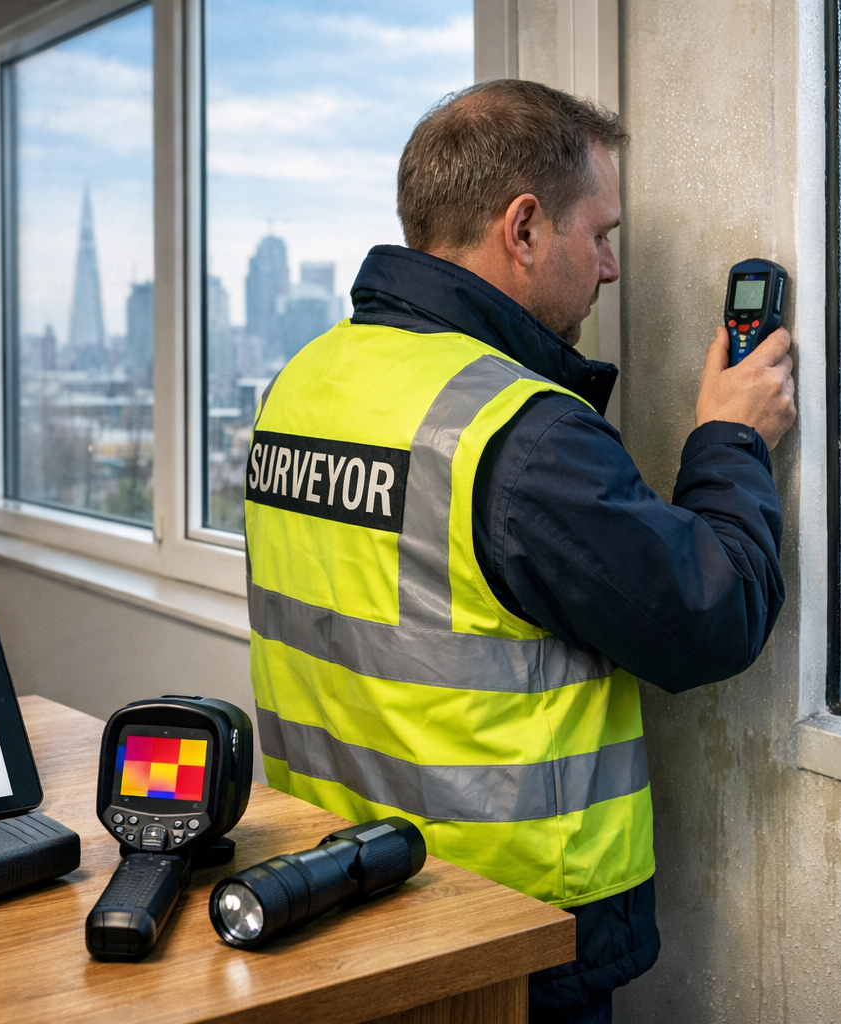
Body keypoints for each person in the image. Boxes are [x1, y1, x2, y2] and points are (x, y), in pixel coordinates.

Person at [243, 79, 795, 1023]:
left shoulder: (305, 382)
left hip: (337, 894)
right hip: (506, 933)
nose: (612, 268)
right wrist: (729, 439)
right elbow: (713, 615)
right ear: (525, 228)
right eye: (602, 233)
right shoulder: (516, 432)